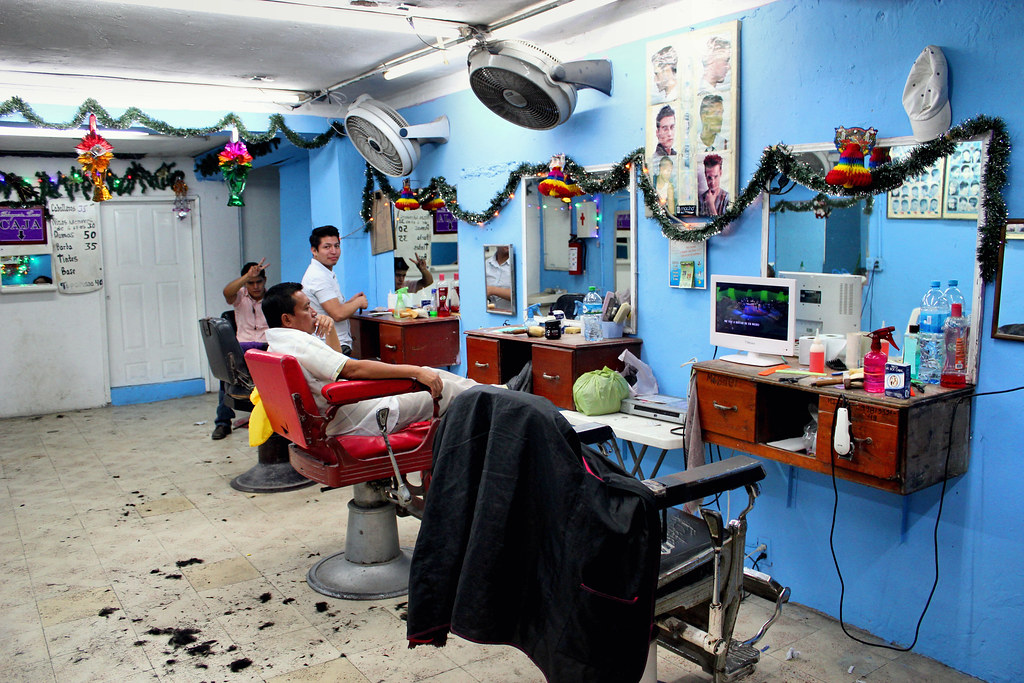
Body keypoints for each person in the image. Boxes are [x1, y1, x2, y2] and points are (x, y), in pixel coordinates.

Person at [262, 282, 481, 437]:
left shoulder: (276, 343)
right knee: (446, 390)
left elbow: (337, 363)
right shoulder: (300, 343)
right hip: (360, 415)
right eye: (306, 308)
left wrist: (329, 332)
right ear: (287, 319)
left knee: (430, 372)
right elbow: (352, 371)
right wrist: (414, 372)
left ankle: (496, 389)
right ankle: (499, 397)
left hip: (341, 412)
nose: (313, 312)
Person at [212, 259, 270, 440]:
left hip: (267, 348)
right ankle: (223, 422)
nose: (255, 286)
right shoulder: (239, 297)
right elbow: (226, 292)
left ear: (265, 281)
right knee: (226, 376)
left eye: (258, 282)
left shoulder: (272, 298)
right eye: (250, 283)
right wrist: (247, 276)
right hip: (242, 349)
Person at [300, 225, 368, 356]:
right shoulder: (318, 276)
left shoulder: (325, 271)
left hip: (333, 344)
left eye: (336, 246)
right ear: (314, 250)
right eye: (327, 247)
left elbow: (332, 309)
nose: (334, 251)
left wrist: (350, 302)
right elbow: (338, 314)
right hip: (328, 347)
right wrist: (359, 302)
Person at [485, 245, 512, 310]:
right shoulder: (486, 264)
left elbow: (522, 295)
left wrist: (492, 290)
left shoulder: (520, 264)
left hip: (512, 316)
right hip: (490, 315)